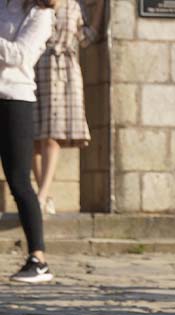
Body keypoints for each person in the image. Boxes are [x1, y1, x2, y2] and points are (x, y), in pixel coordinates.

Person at [32, 0, 103, 214]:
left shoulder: (74, 6)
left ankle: (41, 196)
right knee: (33, 139)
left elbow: (85, 38)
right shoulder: (35, 4)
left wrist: (100, 7)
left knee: (53, 135)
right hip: (36, 69)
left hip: (65, 72)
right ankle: (45, 196)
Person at [1, 0, 53, 283]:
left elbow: (21, 55)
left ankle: (38, 259)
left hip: (15, 100)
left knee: (19, 181)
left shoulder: (40, 14)